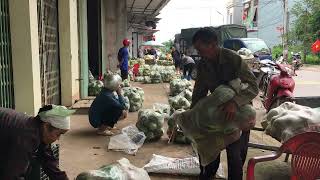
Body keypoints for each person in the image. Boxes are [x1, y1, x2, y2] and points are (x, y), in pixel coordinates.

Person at [191, 27, 259, 180]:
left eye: (201, 49)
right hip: (217, 113)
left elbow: (254, 86)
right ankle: (208, 174)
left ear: (213, 44)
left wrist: (235, 102)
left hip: (239, 112)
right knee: (209, 149)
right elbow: (199, 92)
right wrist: (192, 116)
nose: (199, 54)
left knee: (235, 156)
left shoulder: (234, 59)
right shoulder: (203, 64)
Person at [0, 104, 75, 180]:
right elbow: (12, 175)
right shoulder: (27, 137)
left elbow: (48, 161)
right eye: (58, 134)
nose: (58, 138)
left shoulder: (38, 129)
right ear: (46, 126)